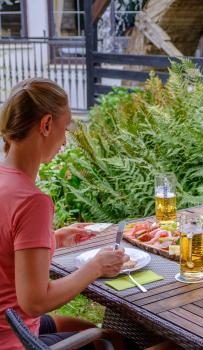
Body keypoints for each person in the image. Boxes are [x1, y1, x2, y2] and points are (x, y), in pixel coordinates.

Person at [0, 78, 129, 349]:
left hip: (10, 323)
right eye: (65, 126)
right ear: (46, 125)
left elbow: (8, 249)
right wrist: (96, 266)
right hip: (16, 338)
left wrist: (54, 240)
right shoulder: (32, 201)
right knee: (115, 341)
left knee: (83, 327)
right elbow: (35, 302)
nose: (66, 139)